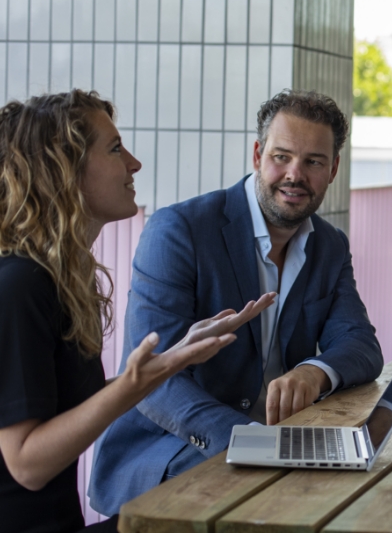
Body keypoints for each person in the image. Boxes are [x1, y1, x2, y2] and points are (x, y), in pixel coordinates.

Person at [89, 90, 384, 515]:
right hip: (169, 451)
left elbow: (360, 343)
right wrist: (257, 442)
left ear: (334, 168)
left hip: (274, 447)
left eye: (313, 162)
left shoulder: (330, 245)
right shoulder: (179, 231)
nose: (294, 174)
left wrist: (313, 373)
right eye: (282, 156)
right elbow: (155, 382)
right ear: (257, 154)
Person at [0, 90, 274, 533]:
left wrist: (174, 359)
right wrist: (136, 381)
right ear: (63, 170)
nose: (134, 163)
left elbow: (64, 409)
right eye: (114, 149)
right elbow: (27, 464)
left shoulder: (55, 279)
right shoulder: (19, 286)